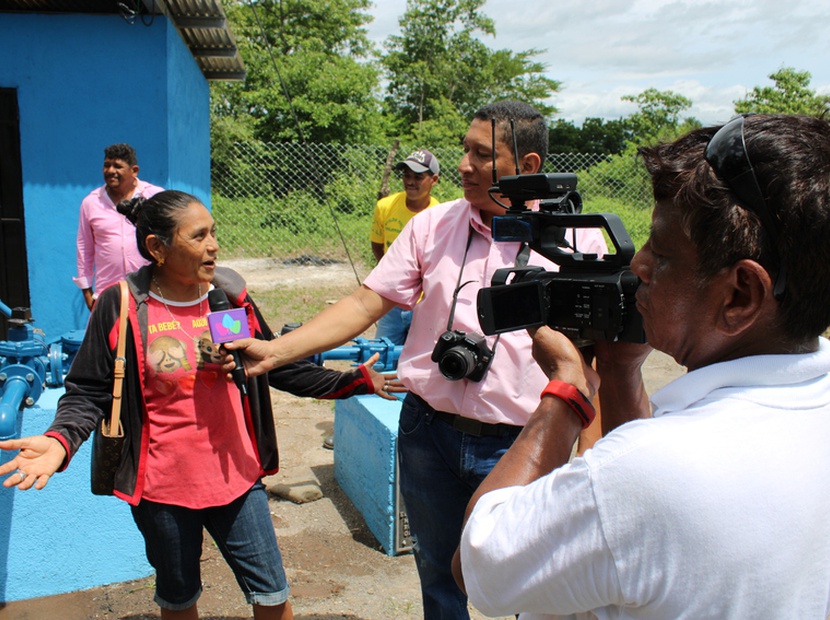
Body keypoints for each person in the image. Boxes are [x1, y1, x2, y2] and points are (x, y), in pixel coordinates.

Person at [224, 100, 624, 619]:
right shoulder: (432, 226)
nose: (463, 165)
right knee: (437, 573)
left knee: (531, 582)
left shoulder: (577, 240)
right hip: (427, 434)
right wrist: (274, 350)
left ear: (526, 167)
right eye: (464, 149)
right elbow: (367, 302)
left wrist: (589, 452)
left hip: (524, 439)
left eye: (482, 154)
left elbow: (600, 362)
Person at [452, 114, 830, 618]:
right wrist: (621, 371)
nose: (637, 266)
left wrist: (569, 389)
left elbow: (478, 568)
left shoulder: (655, 473)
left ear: (741, 294)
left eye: (663, 251)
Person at [0, 190, 394, 620]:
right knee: (179, 599)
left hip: (237, 481)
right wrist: (61, 441)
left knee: (272, 596)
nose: (214, 245)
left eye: (214, 233)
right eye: (199, 235)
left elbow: (271, 364)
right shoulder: (125, 304)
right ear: (157, 248)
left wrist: (353, 382)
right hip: (161, 491)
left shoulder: (223, 298)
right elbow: (90, 389)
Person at [74, 143, 164, 311]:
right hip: (107, 294)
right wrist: (87, 294)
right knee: (111, 338)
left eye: (117, 166)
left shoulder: (154, 197)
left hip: (149, 292)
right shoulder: (91, 203)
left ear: (134, 170)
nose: (110, 171)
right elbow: (84, 248)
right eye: (107, 165)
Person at [370, 149, 440, 345]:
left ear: (433, 180)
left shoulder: (440, 215)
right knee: (381, 357)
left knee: (419, 361)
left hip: (424, 305)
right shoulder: (385, 206)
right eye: (406, 176)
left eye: (418, 177)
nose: (410, 182)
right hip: (391, 300)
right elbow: (377, 245)